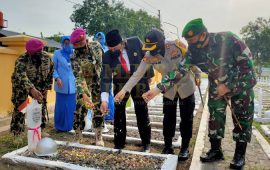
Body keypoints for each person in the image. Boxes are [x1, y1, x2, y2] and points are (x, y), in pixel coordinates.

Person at [143, 18, 256, 169]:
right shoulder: (193, 49)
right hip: (216, 85)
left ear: (203, 35)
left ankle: (239, 155)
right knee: (215, 117)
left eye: (192, 40)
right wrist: (158, 89)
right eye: (188, 41)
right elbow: (180, 70)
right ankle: (216, 150)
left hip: (241, 86)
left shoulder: (229, 39)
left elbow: (250, 71)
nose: (191, 45)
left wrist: (229, 86)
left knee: (242, 120)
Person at [114, 29, 201, 160]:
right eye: (148, 47)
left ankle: (184, 147)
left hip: (185, 86)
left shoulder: (176, 45)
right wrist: (124, 90)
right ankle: (168, 145)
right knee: (168, 118)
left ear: (161, 43)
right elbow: (137, 74)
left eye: (153, 47)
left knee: (186, 118)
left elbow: (187, 64)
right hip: (168, 91)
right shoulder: (149, 55)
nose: (151, 51)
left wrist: (198, 74)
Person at [100, 29, 154, 152]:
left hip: (139, 81)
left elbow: (147, 56)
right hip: (120, 86)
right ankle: (119, 143)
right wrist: (104, 100)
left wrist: (149, 75)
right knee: (119, 112)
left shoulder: (135, 41)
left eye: (114, 48)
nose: (112, 51)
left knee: (141, 111)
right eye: (110, 48)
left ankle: (146, 143)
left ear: (121, 43)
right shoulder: (108, 56)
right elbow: (105, 79)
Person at [10, 38, 53, 136]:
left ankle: (40, 129)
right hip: (21, 85)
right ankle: (17, 132)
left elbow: (50, 72)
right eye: (34, 53)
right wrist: (31, 89)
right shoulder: (21, 60)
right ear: (29, 52)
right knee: (21, 106)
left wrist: (46, 88)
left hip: (39, 83)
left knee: (41, 104)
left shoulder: (47, 58)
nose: (38, 54)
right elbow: (21, 76)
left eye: (39, 51)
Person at [70, 28, 104, 146]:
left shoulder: (96, 46)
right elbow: (79, 76)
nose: (79, 46)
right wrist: (84, 93)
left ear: (86, 39)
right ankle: (78, 135)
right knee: (79, 110)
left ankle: (98, 137)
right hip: (83, 85)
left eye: (81, 43)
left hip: (97, 83)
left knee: (98, 109)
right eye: (76, 45)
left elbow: (101, 64)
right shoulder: (74, 57)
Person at [53, 36, 76, 132]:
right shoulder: (57, 53)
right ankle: (59, 126)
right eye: (65, 43)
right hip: (61, 84)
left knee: (71, 107)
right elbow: (53, 68)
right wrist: (57, 77)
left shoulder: (74, 53)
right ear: (62, 43)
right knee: (61, 107)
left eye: (69, 43)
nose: (67, 45)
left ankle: (70, 126)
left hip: (73, 85)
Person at [94, 32, 114, 127]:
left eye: (101, 38)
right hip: (96, 76)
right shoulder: (93, 50)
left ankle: (109, 116)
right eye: (97, 38)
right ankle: (100, 115)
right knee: (98, 95)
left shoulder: (107, 49)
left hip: (107, 75)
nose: (99, 39)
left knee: (108, 94)